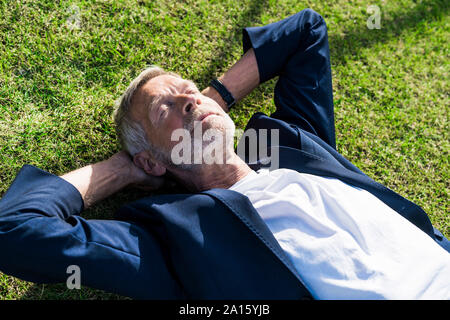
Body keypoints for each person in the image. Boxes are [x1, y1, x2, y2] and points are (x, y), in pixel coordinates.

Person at [0, 9, 448, 300]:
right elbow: (14, 229)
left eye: (187, 89)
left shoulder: (293, 144)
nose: (188, 99)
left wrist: (209, 102)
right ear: (154, 163)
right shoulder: (175, 240)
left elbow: (306, 33)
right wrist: (125, 167)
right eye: (166, 108)